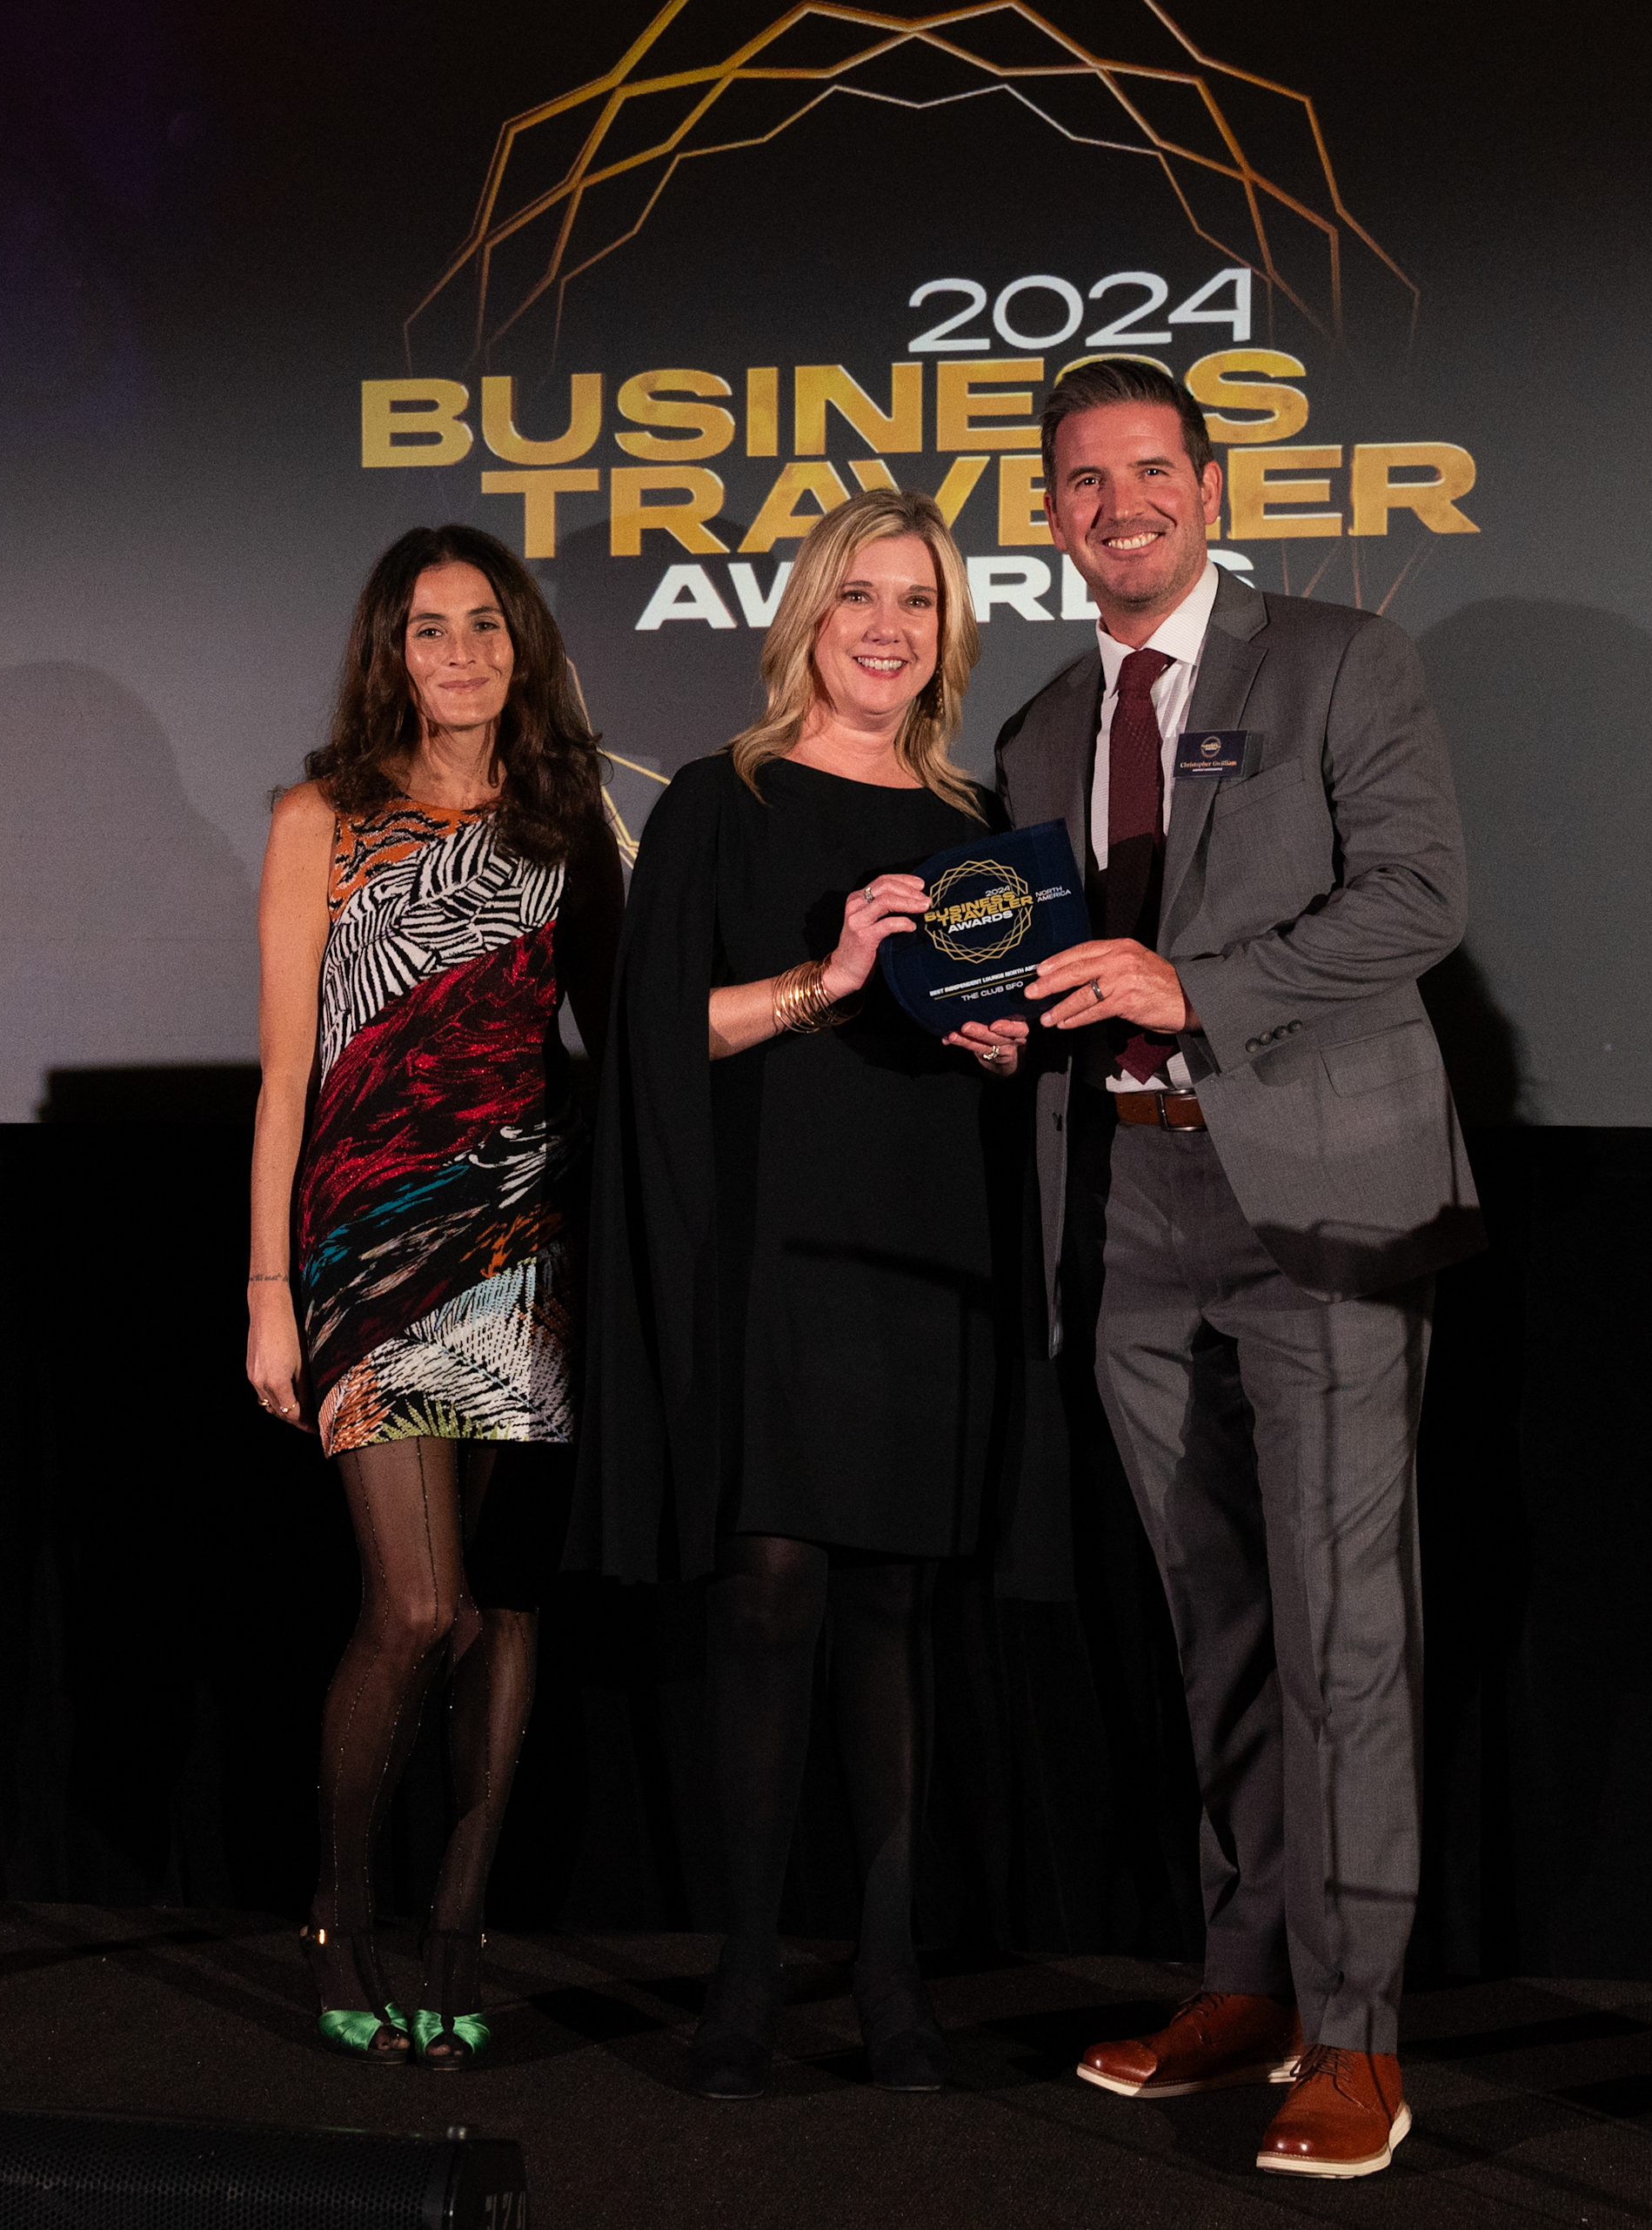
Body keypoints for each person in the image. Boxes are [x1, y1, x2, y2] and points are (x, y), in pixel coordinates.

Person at [973, 358, 1481, 2180]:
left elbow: (1420, 897)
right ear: (1047, 515)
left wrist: (1208, 992)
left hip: (1319, 1207)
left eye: (1147, 470)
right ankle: (1249, 1978)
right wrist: (996, 1022)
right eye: (1081, 481)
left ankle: (1357, 2037)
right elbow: (1053, 975)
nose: (1118, 503)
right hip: (1128, 1223)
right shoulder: (1033, 732)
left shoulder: (1338, 660)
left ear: (1205, 483)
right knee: (1221, 1631)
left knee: (1347, 1631)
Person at [575, 487, 1047, 2101]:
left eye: (917, 601)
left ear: (948, 633)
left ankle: (897, 1980)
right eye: (858, 596)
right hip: (772, 1242)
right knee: (770, 1596)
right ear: (805, 621)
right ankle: (747, 1975)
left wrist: (1007, 1048)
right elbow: (657, 1037)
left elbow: (1011, 1040)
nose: (887, 627)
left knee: (898, 1615)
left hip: (931, 1247)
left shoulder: (984, 823)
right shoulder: (724, 798)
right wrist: (826, 983)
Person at [245, 524, 620, 2071]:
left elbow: (632, 1033)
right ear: (385, 652)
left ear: (520, 643)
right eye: (425, 629)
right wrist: (269, 1288)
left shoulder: (565, 818)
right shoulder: (321, 814)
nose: (457, 654)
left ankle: (457, 1924)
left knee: (508, 1607)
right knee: (418, 1610)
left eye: (483, 625)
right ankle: (344, 1901)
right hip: (361, 1243)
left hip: (525, 1243)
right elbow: (285, 1072)